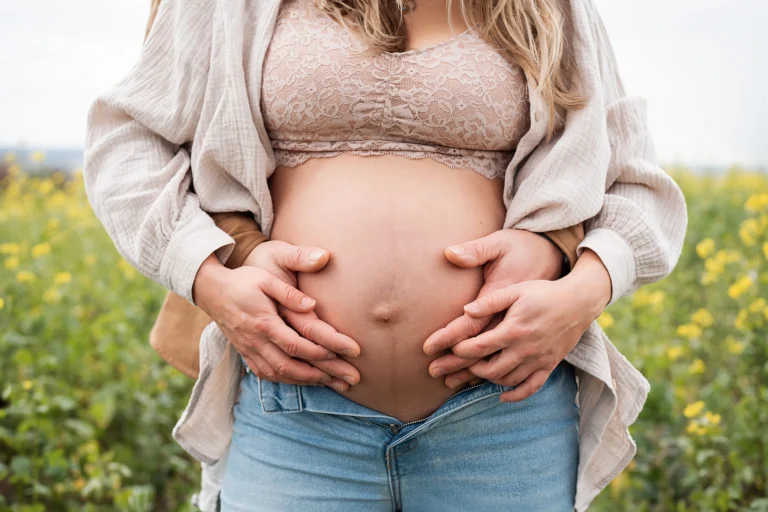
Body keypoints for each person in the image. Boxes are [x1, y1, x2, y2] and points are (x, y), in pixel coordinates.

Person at [82, 0, 688, 509]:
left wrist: (580, 291)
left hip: (502, 419)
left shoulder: (541, 7)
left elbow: (634, 180)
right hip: (297, 420)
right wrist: (211, 277)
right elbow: (128, 139)